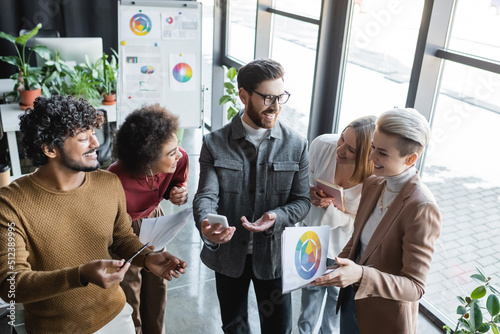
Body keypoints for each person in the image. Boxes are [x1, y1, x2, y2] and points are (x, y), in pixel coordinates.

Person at [0, 95, 187, 334]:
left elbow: (121, 238)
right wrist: (79, 275)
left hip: (117, 316)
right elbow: (10, 285)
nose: (96, 143)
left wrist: (147, 258)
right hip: (55, 329)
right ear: (49, 149)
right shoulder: (10, 204)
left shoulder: (108, 182)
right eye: (82, 138)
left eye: (93, 133)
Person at [193, 58, 311, 334]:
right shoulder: (214, 143)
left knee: (279, 328)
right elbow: (205, 196)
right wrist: (206, 226)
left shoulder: (297, 145)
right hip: (229, 255)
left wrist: (277, 216)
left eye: (281, 97)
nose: (276, 106)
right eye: (268, 97)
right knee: (234, 326)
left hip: (274, 257)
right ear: (243, 95)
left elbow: (302, 201)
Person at [312, 108, 442, 334]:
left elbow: (415, 287)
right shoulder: (373, 184)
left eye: (382, 153)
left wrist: (361, 274)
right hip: (351, 301)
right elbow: (356, 242)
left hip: (384, 319)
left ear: (410, 159)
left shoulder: (422, 208)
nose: (371, 157)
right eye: (372, 147)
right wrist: (331, 269)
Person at [108, 104, 189, 334]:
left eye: (177, 147)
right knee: (128, 288)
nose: (179, 154)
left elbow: (178, 182)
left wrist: (179, 191)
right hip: (124, 229)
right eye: (170, 152)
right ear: (147, 159)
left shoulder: (178, 159)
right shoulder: (115, 179)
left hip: (156, 219)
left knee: (158, 281)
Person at [297, 116, 376, 334]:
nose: (340, 149)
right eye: (341, 139)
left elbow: (363, 224)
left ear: (366, 155)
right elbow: (302, 180)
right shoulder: (323, 145)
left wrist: (331, 211)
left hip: (344, 248)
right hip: (312, 238)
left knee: (335, 300)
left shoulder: (375, 178)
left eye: (350, 149)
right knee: (310, 292)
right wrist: (309, 191)